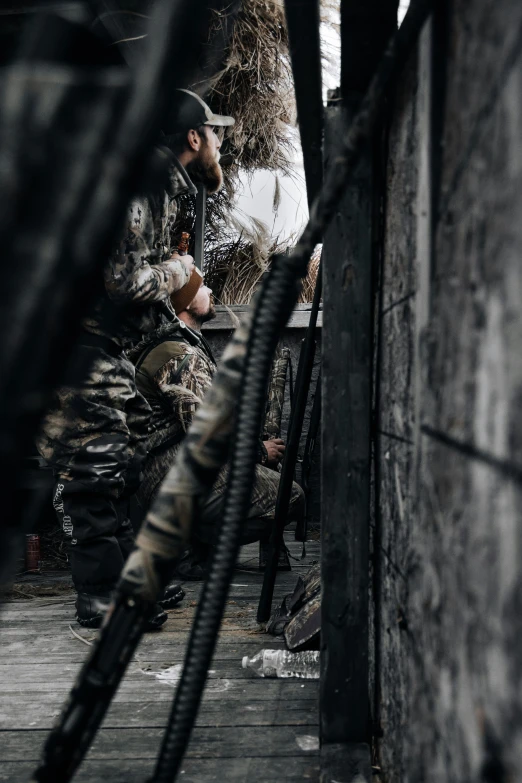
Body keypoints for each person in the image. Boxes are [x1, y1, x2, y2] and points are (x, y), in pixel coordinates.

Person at [37, 91, 235, 625]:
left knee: (116, 469)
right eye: (215, 133)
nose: (220, 144)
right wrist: (177, 271)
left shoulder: (159, 185)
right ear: (194, 138)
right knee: (94, 472)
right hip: (77, 350)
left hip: (103, 347)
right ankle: (102, 597)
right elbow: (121, 282)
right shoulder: (142, 184)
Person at [130, 269, 305, 580]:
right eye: (200, 286)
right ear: (182, 303)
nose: (209, 289)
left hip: (169, 473)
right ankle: (184, 545)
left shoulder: (182, 345)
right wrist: (260, 452)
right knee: (291, 497)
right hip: (168, 477)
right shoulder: (179, 354)